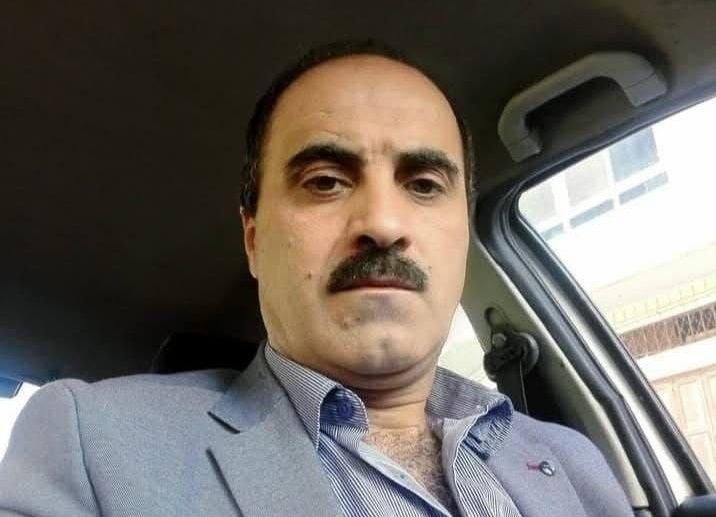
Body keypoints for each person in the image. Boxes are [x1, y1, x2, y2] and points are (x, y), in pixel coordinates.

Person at [0, 41, 632, 517]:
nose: (383, 223)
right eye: (325, 182)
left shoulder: (573, 461)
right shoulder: (93, 445)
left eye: (423, 185)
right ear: (253, 239)